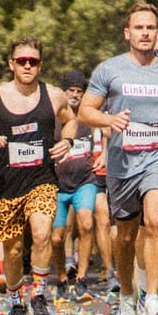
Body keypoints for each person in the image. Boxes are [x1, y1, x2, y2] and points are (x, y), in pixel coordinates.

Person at [78, 1, 158, 315]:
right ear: (127, 33)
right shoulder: (109, 70)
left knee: (157, 219)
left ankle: (154, 297)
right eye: (139, 28)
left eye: (150, 28)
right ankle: (127, 297)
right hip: (123, 163)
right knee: (126, 236)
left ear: (157, 34)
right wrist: (109, 120)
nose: (145, 33)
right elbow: (85, 110)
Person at [0, 38, 75, 315]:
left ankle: (39, 295)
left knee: (42, 232)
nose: (27, 66)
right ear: (12, 64)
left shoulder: (54, 95)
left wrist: (68, 141)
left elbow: (71, 120)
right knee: (12, 250)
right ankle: (16, 302)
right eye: (21, 61)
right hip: (6, 185)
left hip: (42, 179)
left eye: (32, 61)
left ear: (40, 65)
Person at [53, 70, 103, 296]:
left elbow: (109, 131)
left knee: (86, 224)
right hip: (57, 185)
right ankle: (61, 279)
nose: (74, 95)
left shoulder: (88, 116)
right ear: (63, 92)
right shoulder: (55, 118)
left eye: (78, 91)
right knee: (56, 237)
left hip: (85, 181)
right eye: (70, 90)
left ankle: (82, 278)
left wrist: (104, 155)